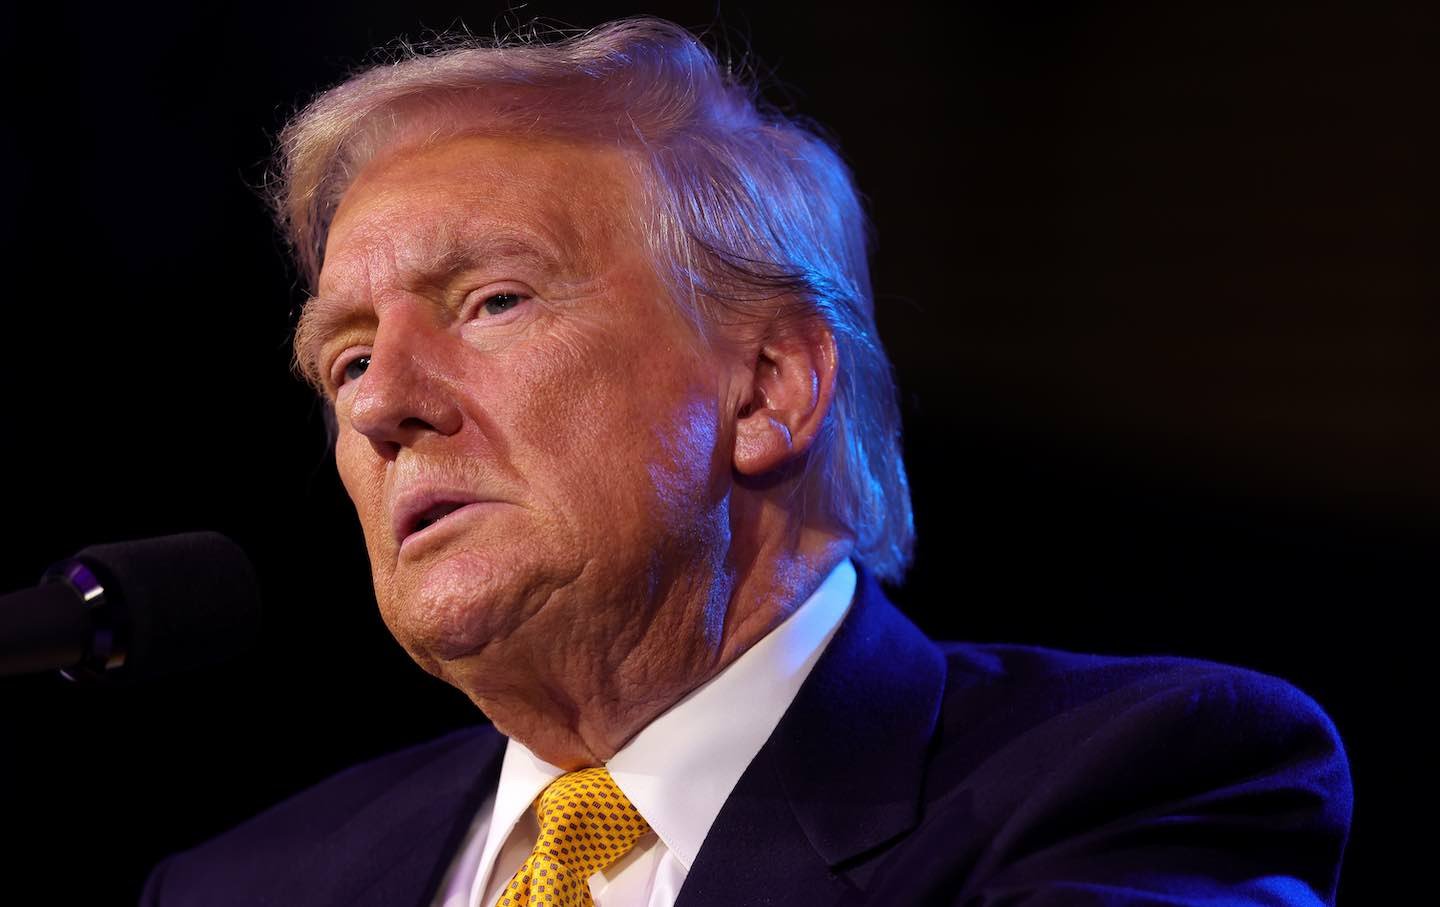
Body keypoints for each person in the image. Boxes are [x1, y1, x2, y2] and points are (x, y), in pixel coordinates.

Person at [142, 18, 1351, 906]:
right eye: (347, 359)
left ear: (768, 389)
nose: (382, 405)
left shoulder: (1124, 782)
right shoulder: (238, 886)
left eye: (494, 301)